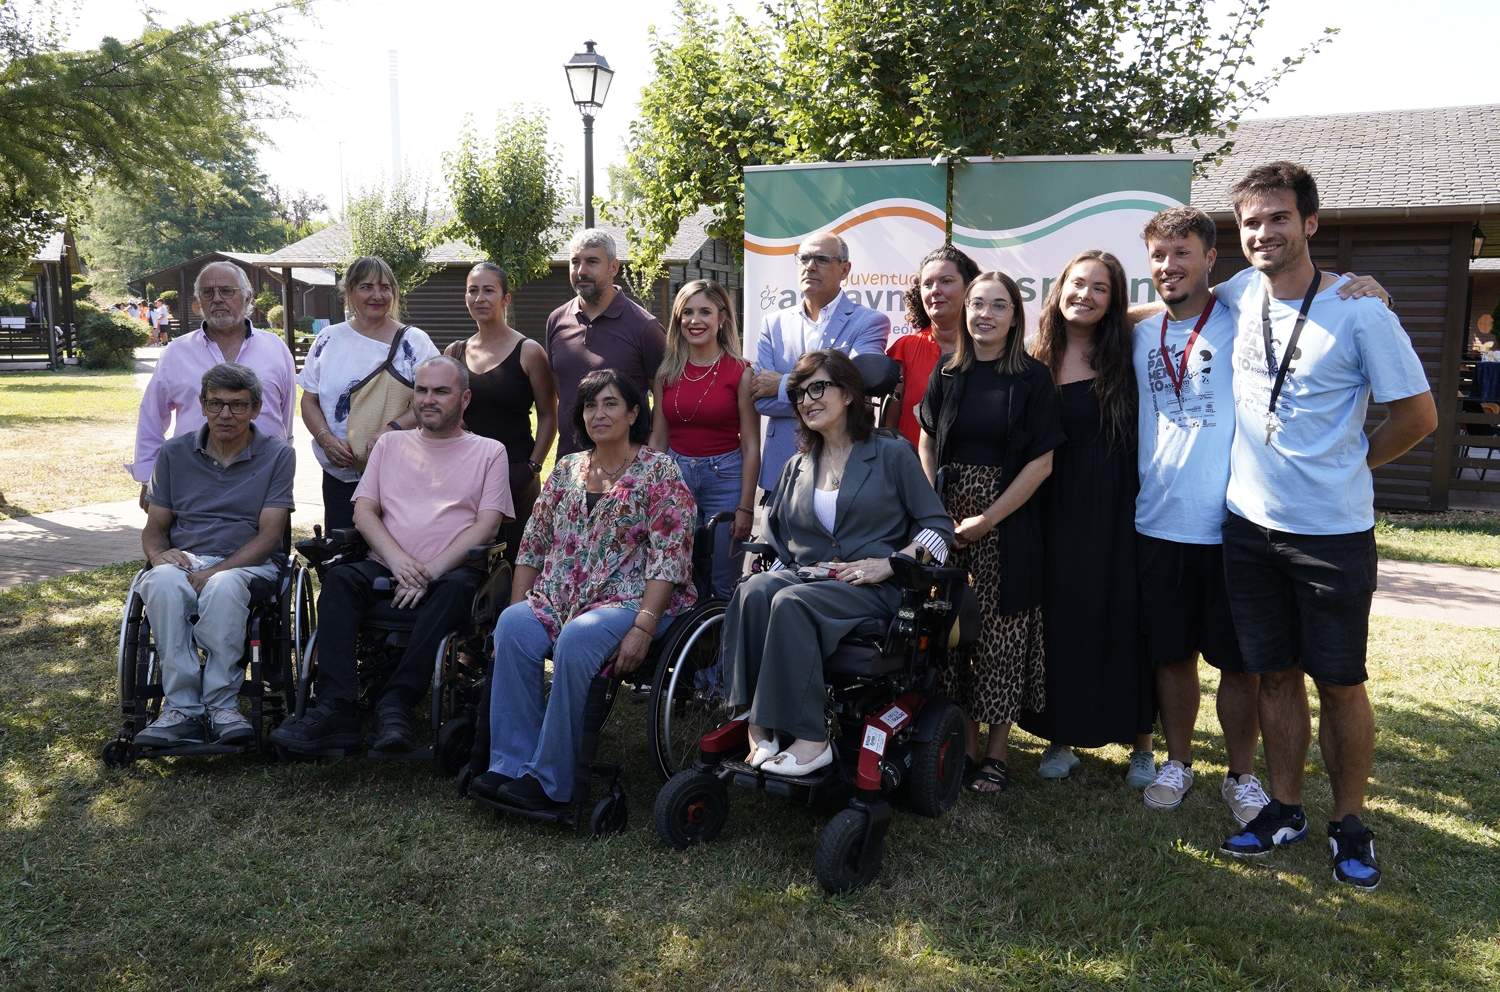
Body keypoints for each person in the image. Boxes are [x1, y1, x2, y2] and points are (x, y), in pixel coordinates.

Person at [1214, 162, 1435, 890]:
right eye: (1251, 222)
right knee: (1275, 675)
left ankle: (1349, 822)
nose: (1263, 232)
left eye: (1278, 217)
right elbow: (1169, 306)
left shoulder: (1361, 310)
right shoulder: (1240, 292)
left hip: (1332, 535)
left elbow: (1418, 416)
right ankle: (1285, 808)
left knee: (1339, 683)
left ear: (1310, 223)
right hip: (1249, 527)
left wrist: (1354, 463)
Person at [472, 369, 698, 810]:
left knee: (577, 639)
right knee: (513, 626)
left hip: (629, 599)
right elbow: (533, 545)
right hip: (560, 597)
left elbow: (670, 556)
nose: (599, 413)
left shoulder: (659, 470)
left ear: (633, 413)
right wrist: (518, 605)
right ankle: (510, 765)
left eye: (611, 403)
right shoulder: (567, 469)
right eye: (591, 405)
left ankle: (550, 781)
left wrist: (644, 627)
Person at [724, 350, 952, 777]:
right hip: (810, 578)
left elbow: (939, 528)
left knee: (791, 602)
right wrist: (771, 574)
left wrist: (891, 562)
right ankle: (757, 722)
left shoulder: (891, 454)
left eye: (818, 388)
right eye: (799, 394)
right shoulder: (796, 466)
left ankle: (813, 739)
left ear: (848, 394)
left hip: (871, 588)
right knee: (754, 590)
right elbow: (778, 542)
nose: (806, 401)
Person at [272, 357, 513, 755]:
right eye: (422, 390)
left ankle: (396, 702)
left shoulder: (489, 452)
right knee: (340, 580)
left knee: (457, 590)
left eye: (441, 391)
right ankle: (337, 707)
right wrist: (400, 563)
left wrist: (428, 572)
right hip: (386, 564)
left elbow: (487, 526)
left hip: (450, 572)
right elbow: (364, 513)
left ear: (465, 398)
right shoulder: (390, 445)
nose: (428, 399)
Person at [1130, 206, 1270, 823]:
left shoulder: (1243, 316)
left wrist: (1360, 283)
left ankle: (1242, 776)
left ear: (1212, 257)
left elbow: (1295, 279)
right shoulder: (1139, 335)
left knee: (1239, 664)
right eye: (1159, 255)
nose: (1169, 265)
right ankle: (1179, 762)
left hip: (1233, 524)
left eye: (1182, 252)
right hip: (1158, 522)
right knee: (1171, 655)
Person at [918, 272, 1063, 795]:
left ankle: (997, 754)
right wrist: (936, 511)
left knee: (1001, 636)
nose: (985, 314)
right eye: (977, 304)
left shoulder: (1033, 379)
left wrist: (988, 519)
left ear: (1014, 315)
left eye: (998, 305)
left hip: (1007, 521)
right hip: (948, 521)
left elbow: (1042, 463)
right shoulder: (948, 371)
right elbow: (926, 439)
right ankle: (965, 744)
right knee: (952, 634)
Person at [1020, 250, 1156, 786]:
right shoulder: (1035, 357)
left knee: (1128, 619)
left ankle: (1142, 744)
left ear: (1116, 301)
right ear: (1059, 289)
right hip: (1053, 510)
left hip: (1121, 508)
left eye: (1101, 288)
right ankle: (1061, 736)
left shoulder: (1129, 350)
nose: (1086, 295)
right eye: (1078, 284)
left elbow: (1174, 308)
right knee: (1063, 621)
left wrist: (1125, 314)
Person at [132, 363, 295, 747]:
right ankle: (181, 708)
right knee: (162, 583)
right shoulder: (174, 453)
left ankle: (222, 705)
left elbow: (270, 535)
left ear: (255, 409)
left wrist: (216, 570)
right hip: (187, 557)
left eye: (237, 405)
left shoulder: (277, 455)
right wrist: (159, 556)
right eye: (216, 404)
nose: (225, 414)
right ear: (202, 405)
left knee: (223, 587)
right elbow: (155, 528)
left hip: (249, 563)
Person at [129, 262, 296, 510]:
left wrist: (282, 471)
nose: (217, 299)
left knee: (268, 537)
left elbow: (286, 417)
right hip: (191, 481)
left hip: (263, 479)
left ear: (248, 296)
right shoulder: (177, 352)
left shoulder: (276, 350)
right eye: (207, 293)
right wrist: (149, 477)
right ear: (199, 302)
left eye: (227, 291)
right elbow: (151, 417)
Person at [299, 255, 440, 533]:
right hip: (339, 474)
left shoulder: (414, 342)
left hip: (399, 476)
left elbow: (433, 399)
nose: (377, 295)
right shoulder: (328, 339)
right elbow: (309, 400)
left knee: (396, 551)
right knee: (342, 552)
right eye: (366, 287)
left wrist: (391, 430)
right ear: (349, 292)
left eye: (385, 287)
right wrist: (326, 439)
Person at [750, 231, 891, 492]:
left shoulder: (869, 323)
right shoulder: (773, 324)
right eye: (804, 258)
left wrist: (783, 384)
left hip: (844, 472)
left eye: (822, 259)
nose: (810, 266)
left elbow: (855, 390)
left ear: (845, 269)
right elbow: (762, 400)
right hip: (782, 471)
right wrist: (828, 395)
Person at [648, 279, 759, 596]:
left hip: (725, 479)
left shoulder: (741, 372)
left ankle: (723, 630)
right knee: (679, 577)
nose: (694, 320)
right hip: (676, 478)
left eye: (705, 312)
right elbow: (658, 438)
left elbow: (751, 444)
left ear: (721, 318)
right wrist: (649, 490)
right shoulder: (666, 373)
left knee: (724, 581)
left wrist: (746, 507)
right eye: (687, 312)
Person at [445, 262, 558, 562]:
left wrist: (532, 467)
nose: (479, 298)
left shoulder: (529, 352)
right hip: (466, 479)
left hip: (515, 478)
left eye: (488, 290)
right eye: (473, 290)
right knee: (466, 562)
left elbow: (549, 415)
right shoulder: (454, 353)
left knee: (518, 562)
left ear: (505, 298)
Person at [546, 230, 666, 457]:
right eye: (575, 262)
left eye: (592, 262)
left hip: (628, 464)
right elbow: (561, 388)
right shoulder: (557, 320)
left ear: (614, 267)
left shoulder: (645, 327)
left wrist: (651, 455)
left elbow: (664, 400)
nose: (581, 271)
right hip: (570, 461)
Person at [887, 245, 981, 446]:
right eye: (927, 284)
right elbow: (888, 430)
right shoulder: (904, 349)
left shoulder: (992, 348)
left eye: (946, 281)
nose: (935, 290)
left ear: (970, 288)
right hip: (911, 464)